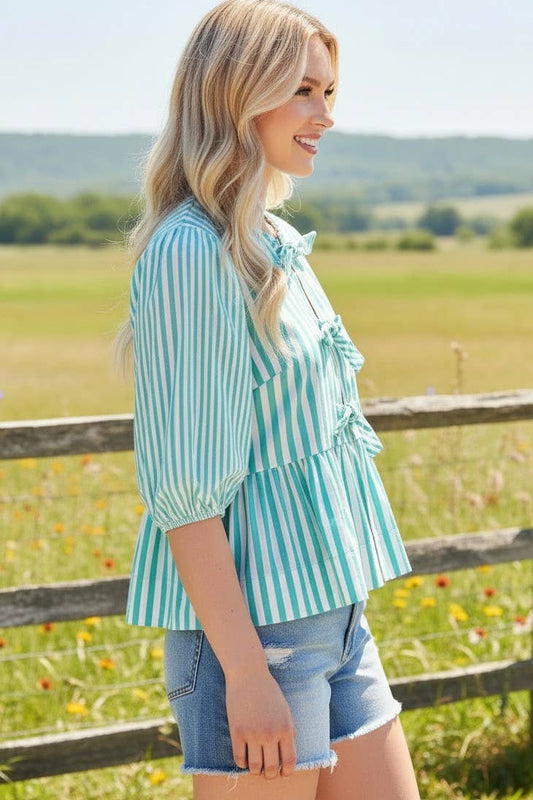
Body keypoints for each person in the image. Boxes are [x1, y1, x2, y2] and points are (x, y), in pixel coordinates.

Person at [113, 1, 421, 797]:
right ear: (234, 94)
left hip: (335, 619)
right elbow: (184, 497)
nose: (326, 115)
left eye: (330, 94)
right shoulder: (191, 252)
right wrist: (245, 675)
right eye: (305, 93)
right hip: (254, 641)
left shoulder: (271, 238)